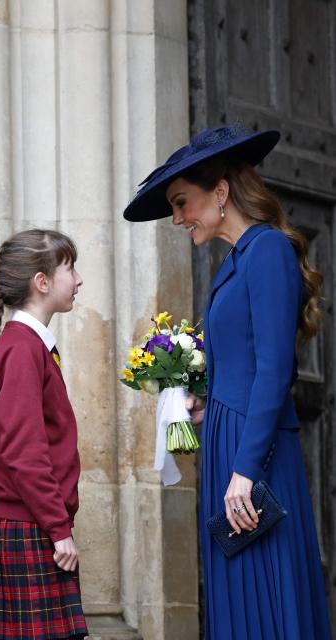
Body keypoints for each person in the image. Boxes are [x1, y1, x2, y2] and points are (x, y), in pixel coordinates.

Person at [123, 123, 332, 639]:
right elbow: (240, 368)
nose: (176, 218)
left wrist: (244, 469)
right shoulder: (231, 265)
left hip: (253, 457)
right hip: (229, 445)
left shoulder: (267, 251)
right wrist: (203, 407)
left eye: (181, 202)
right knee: (238, 595)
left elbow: (274, 370)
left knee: (268, 591)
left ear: (220, 192)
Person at [0, 229, 88, 640]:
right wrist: (59, 530)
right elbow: (24, 452)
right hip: (32, 527)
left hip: (35, 524)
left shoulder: (28, 345)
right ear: (41, 282)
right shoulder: (23, 347)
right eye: (70, 269)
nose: (78, 280)